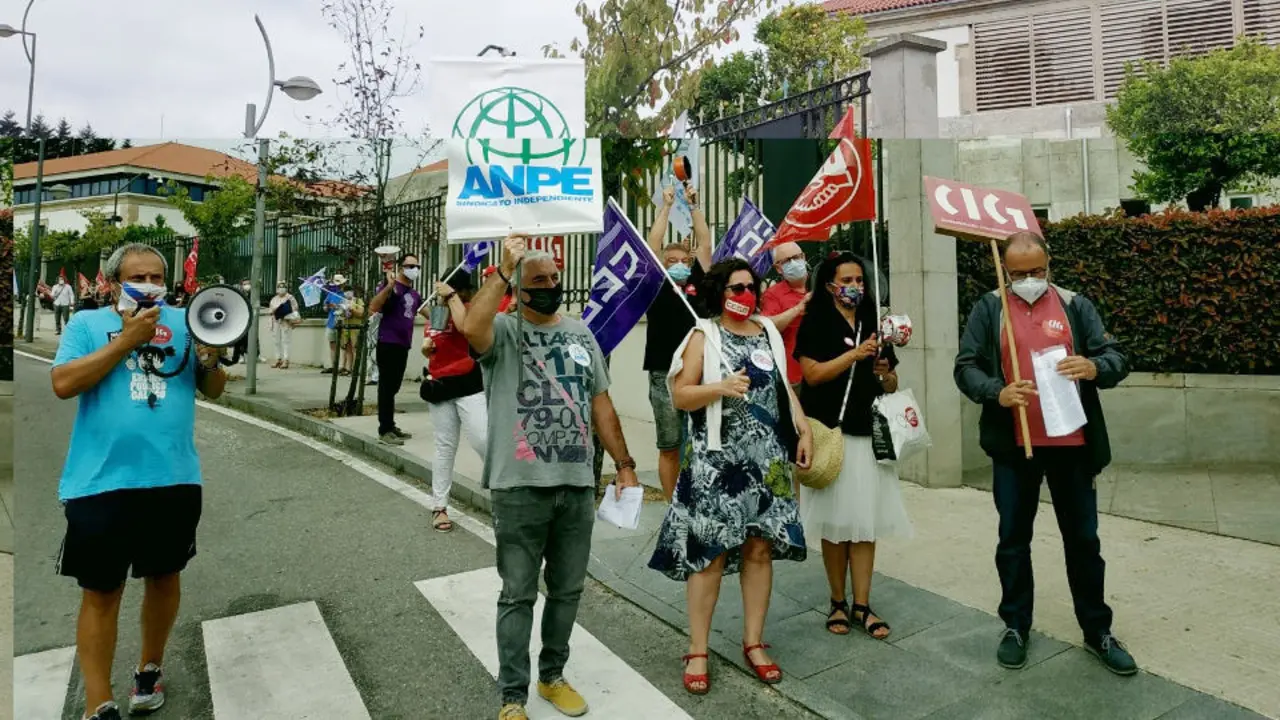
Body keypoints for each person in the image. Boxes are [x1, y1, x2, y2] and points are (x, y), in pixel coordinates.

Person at [461, 234, 640, 720]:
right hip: (518, 487)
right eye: (539, 280)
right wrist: (501, 272)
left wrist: (623, 464)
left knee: (567, 590)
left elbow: (600, 403)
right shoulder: (502, 329)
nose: (551, 286)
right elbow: (471, 329)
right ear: (518, 287)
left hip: (576, 484)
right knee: (518, 593)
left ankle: (552, 675)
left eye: (555, 278)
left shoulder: (582, 335)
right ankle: (513, 696)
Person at [49, 243, 228, 720]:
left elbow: (211, 388)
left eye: (156, 277)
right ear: (112, 283)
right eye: (138, 277)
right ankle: (97, 699)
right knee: (102, 590)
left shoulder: (186, 320)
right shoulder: (87, 325)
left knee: (164, 576)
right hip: (100, 482)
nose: (149, 285)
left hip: (172, 477)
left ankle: (149, 670)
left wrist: (211, 359)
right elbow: (63, 383)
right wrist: (124, 342)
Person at [954, 231, 1136, 675]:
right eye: (1019, 274)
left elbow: (1116, 356)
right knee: (1013, 541)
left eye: (1037, 271)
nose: (1029, 280)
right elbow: (965, 367)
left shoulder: (1075, 305)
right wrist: (997, 392)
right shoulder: (989, 307)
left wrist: (1094, 366)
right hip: (1016, 447)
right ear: (1007, 272)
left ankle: (1098, 631)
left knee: (1084, 541)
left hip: (1072, 445)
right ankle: (1016, 625)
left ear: (1048, 265)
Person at [648, 258, 811, 695]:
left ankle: (754, 642)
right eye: (736, 288)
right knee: (711, 554)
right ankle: (698, 648)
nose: (745, 296)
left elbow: (782, 390)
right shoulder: (704, 335)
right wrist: (718, 388)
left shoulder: (768, 332)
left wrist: (804, 427)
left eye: (751, 287)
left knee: (759, 549)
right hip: (718, 464)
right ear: (719, 293)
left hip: (768, 463)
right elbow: (680, 395)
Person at [794, 251, 913, 640]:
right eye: (847, 280)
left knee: (865, 524)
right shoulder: (815, 322)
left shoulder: (874, 323)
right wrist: (854, 355)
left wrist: (884, 373)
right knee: (837, 523)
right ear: (830, 285)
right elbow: (811, 375)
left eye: (860, 280)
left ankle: (863, 604)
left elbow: (891, 381)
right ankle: (837, 601)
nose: (855, 287)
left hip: (869, 432)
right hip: (832, 434)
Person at [643, 182, 712, 502]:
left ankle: (698, 498)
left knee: (699, 442)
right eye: (669, 260)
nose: (677, 263)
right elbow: (653, 244)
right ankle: (674, 507)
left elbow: (706, 242)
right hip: (662, 374)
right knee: (670, 445)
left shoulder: (700, 280)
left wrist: (694, 204)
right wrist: (667, 206)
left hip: (698, 373)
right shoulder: (655, 284)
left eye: (682, 258)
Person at [421, 274, 488, 532]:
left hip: (470, 384)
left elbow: (467, 329)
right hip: (440, 384)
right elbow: (432, 342)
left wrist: (452, 299)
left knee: (483, 440)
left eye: (455, 290)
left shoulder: (471, 311)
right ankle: (439, 505)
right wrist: (426, 349)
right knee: (444, 447)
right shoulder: (438, 312)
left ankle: (505, 498)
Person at [368, 254, 424, 446]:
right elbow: (374, 306)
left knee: (394, 387)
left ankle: (390, 425)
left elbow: (428, 312)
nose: (414, 269)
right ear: (401, 267)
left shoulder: (414, 294)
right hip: (388, 342)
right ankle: (384, 429)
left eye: (417, 266)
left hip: (403, 344)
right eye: (410, 266)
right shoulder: (389, 287)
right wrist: (389, 287)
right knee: (386, 386)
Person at [760, 242, 812, 392]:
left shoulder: (821, 284)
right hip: (793, 376)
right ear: (778, 268)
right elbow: (767, 327)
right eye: (787, 261)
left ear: (803, 257)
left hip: (823, 369)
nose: (794, 263)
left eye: (796, 257)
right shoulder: (773, 294)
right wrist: (798, 309)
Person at [269, 281, 299, 369]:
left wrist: (285, 309)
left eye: (283, 287)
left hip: (286, 321)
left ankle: (286, 360)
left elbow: (295, 308)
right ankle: (278, 359)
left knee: (286, 341)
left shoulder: (290, 297)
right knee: (276, 341)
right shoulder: (274, 299)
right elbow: (270, 310)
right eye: (279, 287)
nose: (281, 288)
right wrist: (275, 310)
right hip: (276, 321)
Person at [322, 273, 348, 375]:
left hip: (342, 322)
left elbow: (348, 307)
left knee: (343, 345)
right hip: (331, 322)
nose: (339, 285)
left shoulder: (346, 294)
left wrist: (337, 306)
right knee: (332, 344)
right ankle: (334, 366)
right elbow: (325, 307)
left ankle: (343, 366)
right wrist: (328, 307)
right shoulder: (330, 293)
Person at [339, 288, 366, 375]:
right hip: (346, 328)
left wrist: (352, 310)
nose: (347, 293)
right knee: (347, 348)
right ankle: (348, 368)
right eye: (345, 292)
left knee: (355, 348)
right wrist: (344, 311)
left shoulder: (358, 301)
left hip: (355, 328)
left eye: (348, 291)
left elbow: (361, 313)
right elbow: (341, 314)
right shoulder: (344, 301)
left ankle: (356, 369)